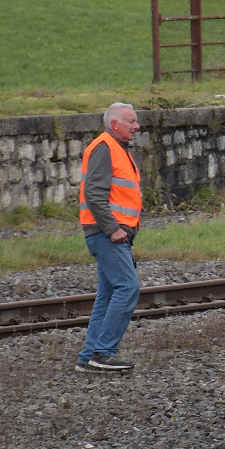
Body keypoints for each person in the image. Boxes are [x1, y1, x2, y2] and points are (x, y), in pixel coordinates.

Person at [76, 103, 144, 373]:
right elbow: (94, 193)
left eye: (136, 121)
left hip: (115, 237)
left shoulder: (117, 149)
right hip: (107, 234)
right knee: (128, 287)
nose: (136, 126)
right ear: (114, 124)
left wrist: (126, 240)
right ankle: (103, 353)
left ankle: (89, 357)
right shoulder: (105, 147)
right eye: (131, 121)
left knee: (108, 295)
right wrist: (114, 229)